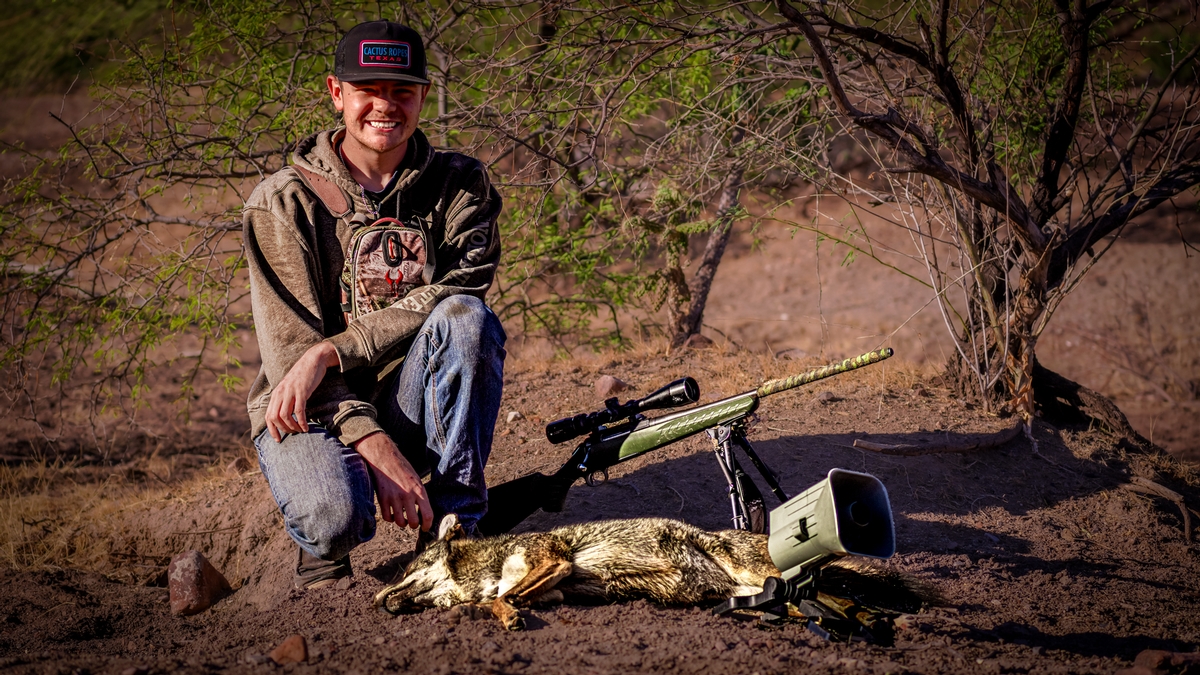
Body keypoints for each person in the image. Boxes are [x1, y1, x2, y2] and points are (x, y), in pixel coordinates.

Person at [242, 20, 506, 590]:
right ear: (336, 93)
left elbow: (462, 288)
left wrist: (332, 351)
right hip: (310, 408)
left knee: (467, 321)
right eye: (369, 90)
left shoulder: (462, 185)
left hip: (411, 399)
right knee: (334, 519)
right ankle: (325, 544)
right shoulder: (281, 202)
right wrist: (371, 442)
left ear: (423, 97)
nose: (386, 106)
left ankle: (458, 527)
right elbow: (292, 357)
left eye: (402, 91)